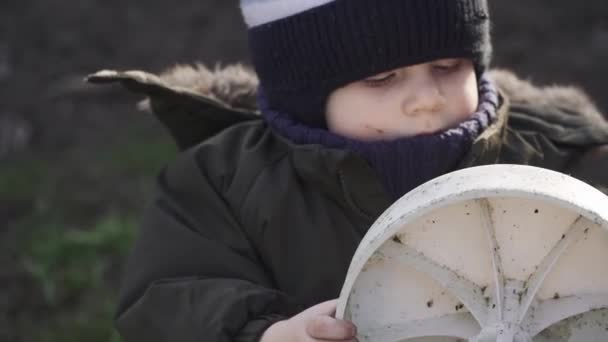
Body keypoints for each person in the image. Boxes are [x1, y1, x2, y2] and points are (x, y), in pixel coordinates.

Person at [94, 0, 608, 341]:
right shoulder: (226, 179)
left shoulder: (556, 152)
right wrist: (267, 333)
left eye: (449, 68)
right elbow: (165, 294)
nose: (425, 100)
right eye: (383, 78)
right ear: (309, 98)